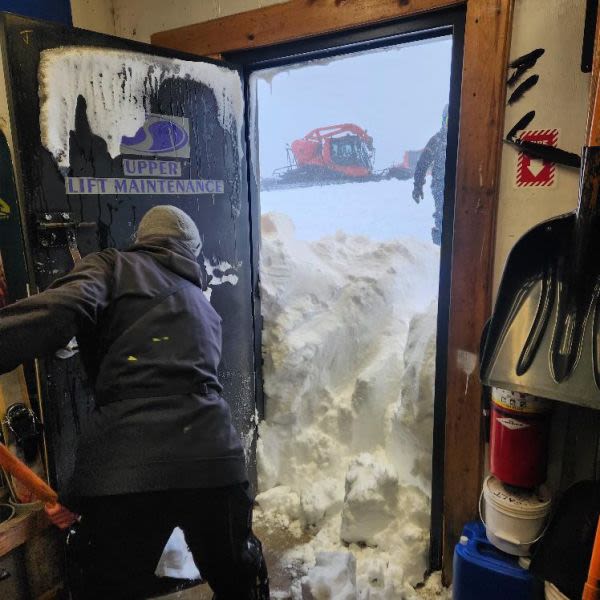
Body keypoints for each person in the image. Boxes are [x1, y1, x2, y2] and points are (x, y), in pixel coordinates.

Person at [0, 205, 268, 600]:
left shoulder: (113, 266)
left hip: (126, 474)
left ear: (144, 240)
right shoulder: (205, 308)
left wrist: (76, 497)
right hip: (216, 465)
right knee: (240, 582)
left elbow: (62, 308)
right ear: (191, 252)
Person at [412, 104, 449, 246]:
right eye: (448, 121)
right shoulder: (437, 140)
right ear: (443, 121)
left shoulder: (465, 139)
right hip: (440, 186)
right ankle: (440, 248)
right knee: (442, 216)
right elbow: (422, 164)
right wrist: (417, 185)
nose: (450, 125)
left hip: (460, 186)